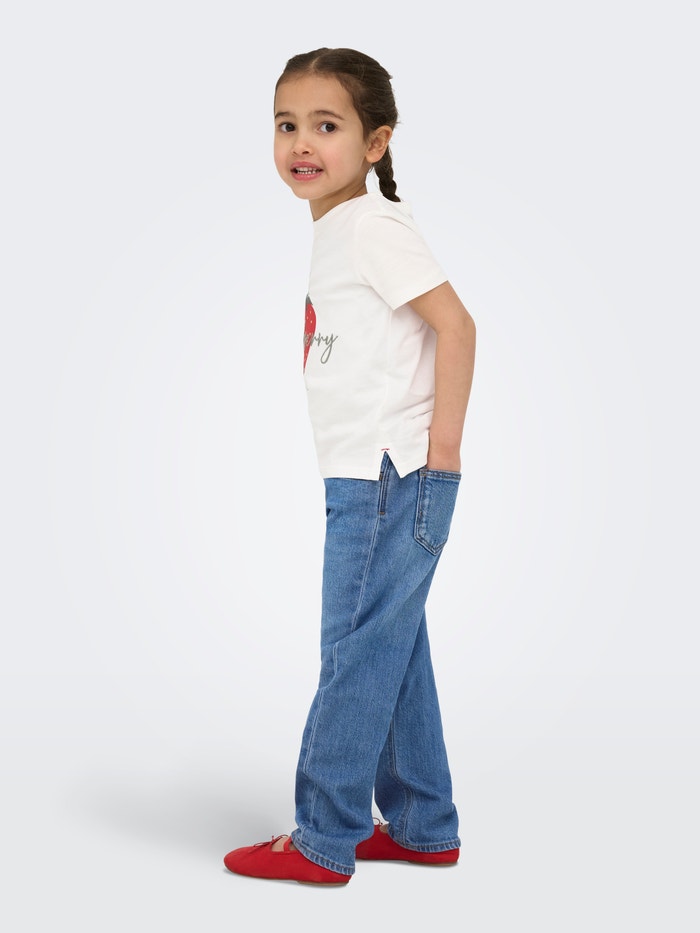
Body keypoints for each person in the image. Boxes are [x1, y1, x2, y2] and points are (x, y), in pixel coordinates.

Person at [224, 47, 476, 886]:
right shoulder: (338, 230)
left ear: (375, 142)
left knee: (354, 652)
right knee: (390, 648)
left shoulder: (371, 226)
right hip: (367, 476)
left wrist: (442, 452)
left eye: (326, 125)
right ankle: (424, 824)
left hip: (387, 475)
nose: (302, 141)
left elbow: (457, 324)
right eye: (287, 124)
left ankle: (324, 836)